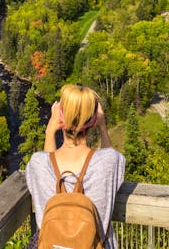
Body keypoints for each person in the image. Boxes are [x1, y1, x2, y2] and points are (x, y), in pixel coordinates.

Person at [25, 84, 125, 248]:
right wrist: (102, 126)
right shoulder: (108, 162)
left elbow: (48, 162)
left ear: (60, 117)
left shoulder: (38, 163)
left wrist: (50, 131)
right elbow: (110, 156)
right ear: (93, 120)